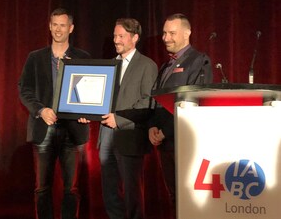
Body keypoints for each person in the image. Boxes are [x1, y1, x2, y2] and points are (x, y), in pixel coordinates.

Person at [79, 18, 158, 219]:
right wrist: (86, 112)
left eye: (121, 36)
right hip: (106, 134)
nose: (116, 40)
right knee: (109, 191)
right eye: (115, 36)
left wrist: (120, 119)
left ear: (135, 37)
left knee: (132, 192)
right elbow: (99, 99)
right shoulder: (110, 65)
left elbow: (147, 102)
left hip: (129, 136)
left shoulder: (147, 65)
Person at [18, 8, 90, 219]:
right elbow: (24, 89)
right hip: (44, 129)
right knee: (42, 188)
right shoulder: (35, 57)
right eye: (55, 25)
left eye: (63, 25)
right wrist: (41, 110)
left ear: (71, 28)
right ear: (50, 26)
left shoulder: (83, 57)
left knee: (72, 189)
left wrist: (88, 112)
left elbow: (91, 92)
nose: (58, 29)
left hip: (73, 130)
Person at [148, 13, 213, 217]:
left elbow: (193, 100)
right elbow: (156, 100)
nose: (166, 37)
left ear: (187, 33)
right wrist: (152, 127)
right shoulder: (166, 65)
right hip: (165, 143)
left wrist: (166, 131)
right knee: (174, 196)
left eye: (172, 33)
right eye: (165, 33)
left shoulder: (199, 61)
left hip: (184, 142)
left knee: (189, 197)